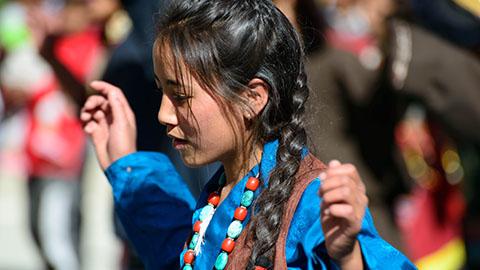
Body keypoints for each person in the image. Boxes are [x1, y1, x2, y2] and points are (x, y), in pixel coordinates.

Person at [81, 0, 415, 269]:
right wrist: (128, 163)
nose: (163, 115)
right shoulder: (220, 194)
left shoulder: (313, 203)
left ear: (252, 98)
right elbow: (177, 250)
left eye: (180, 97)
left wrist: (348, 257)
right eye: (161, 93)